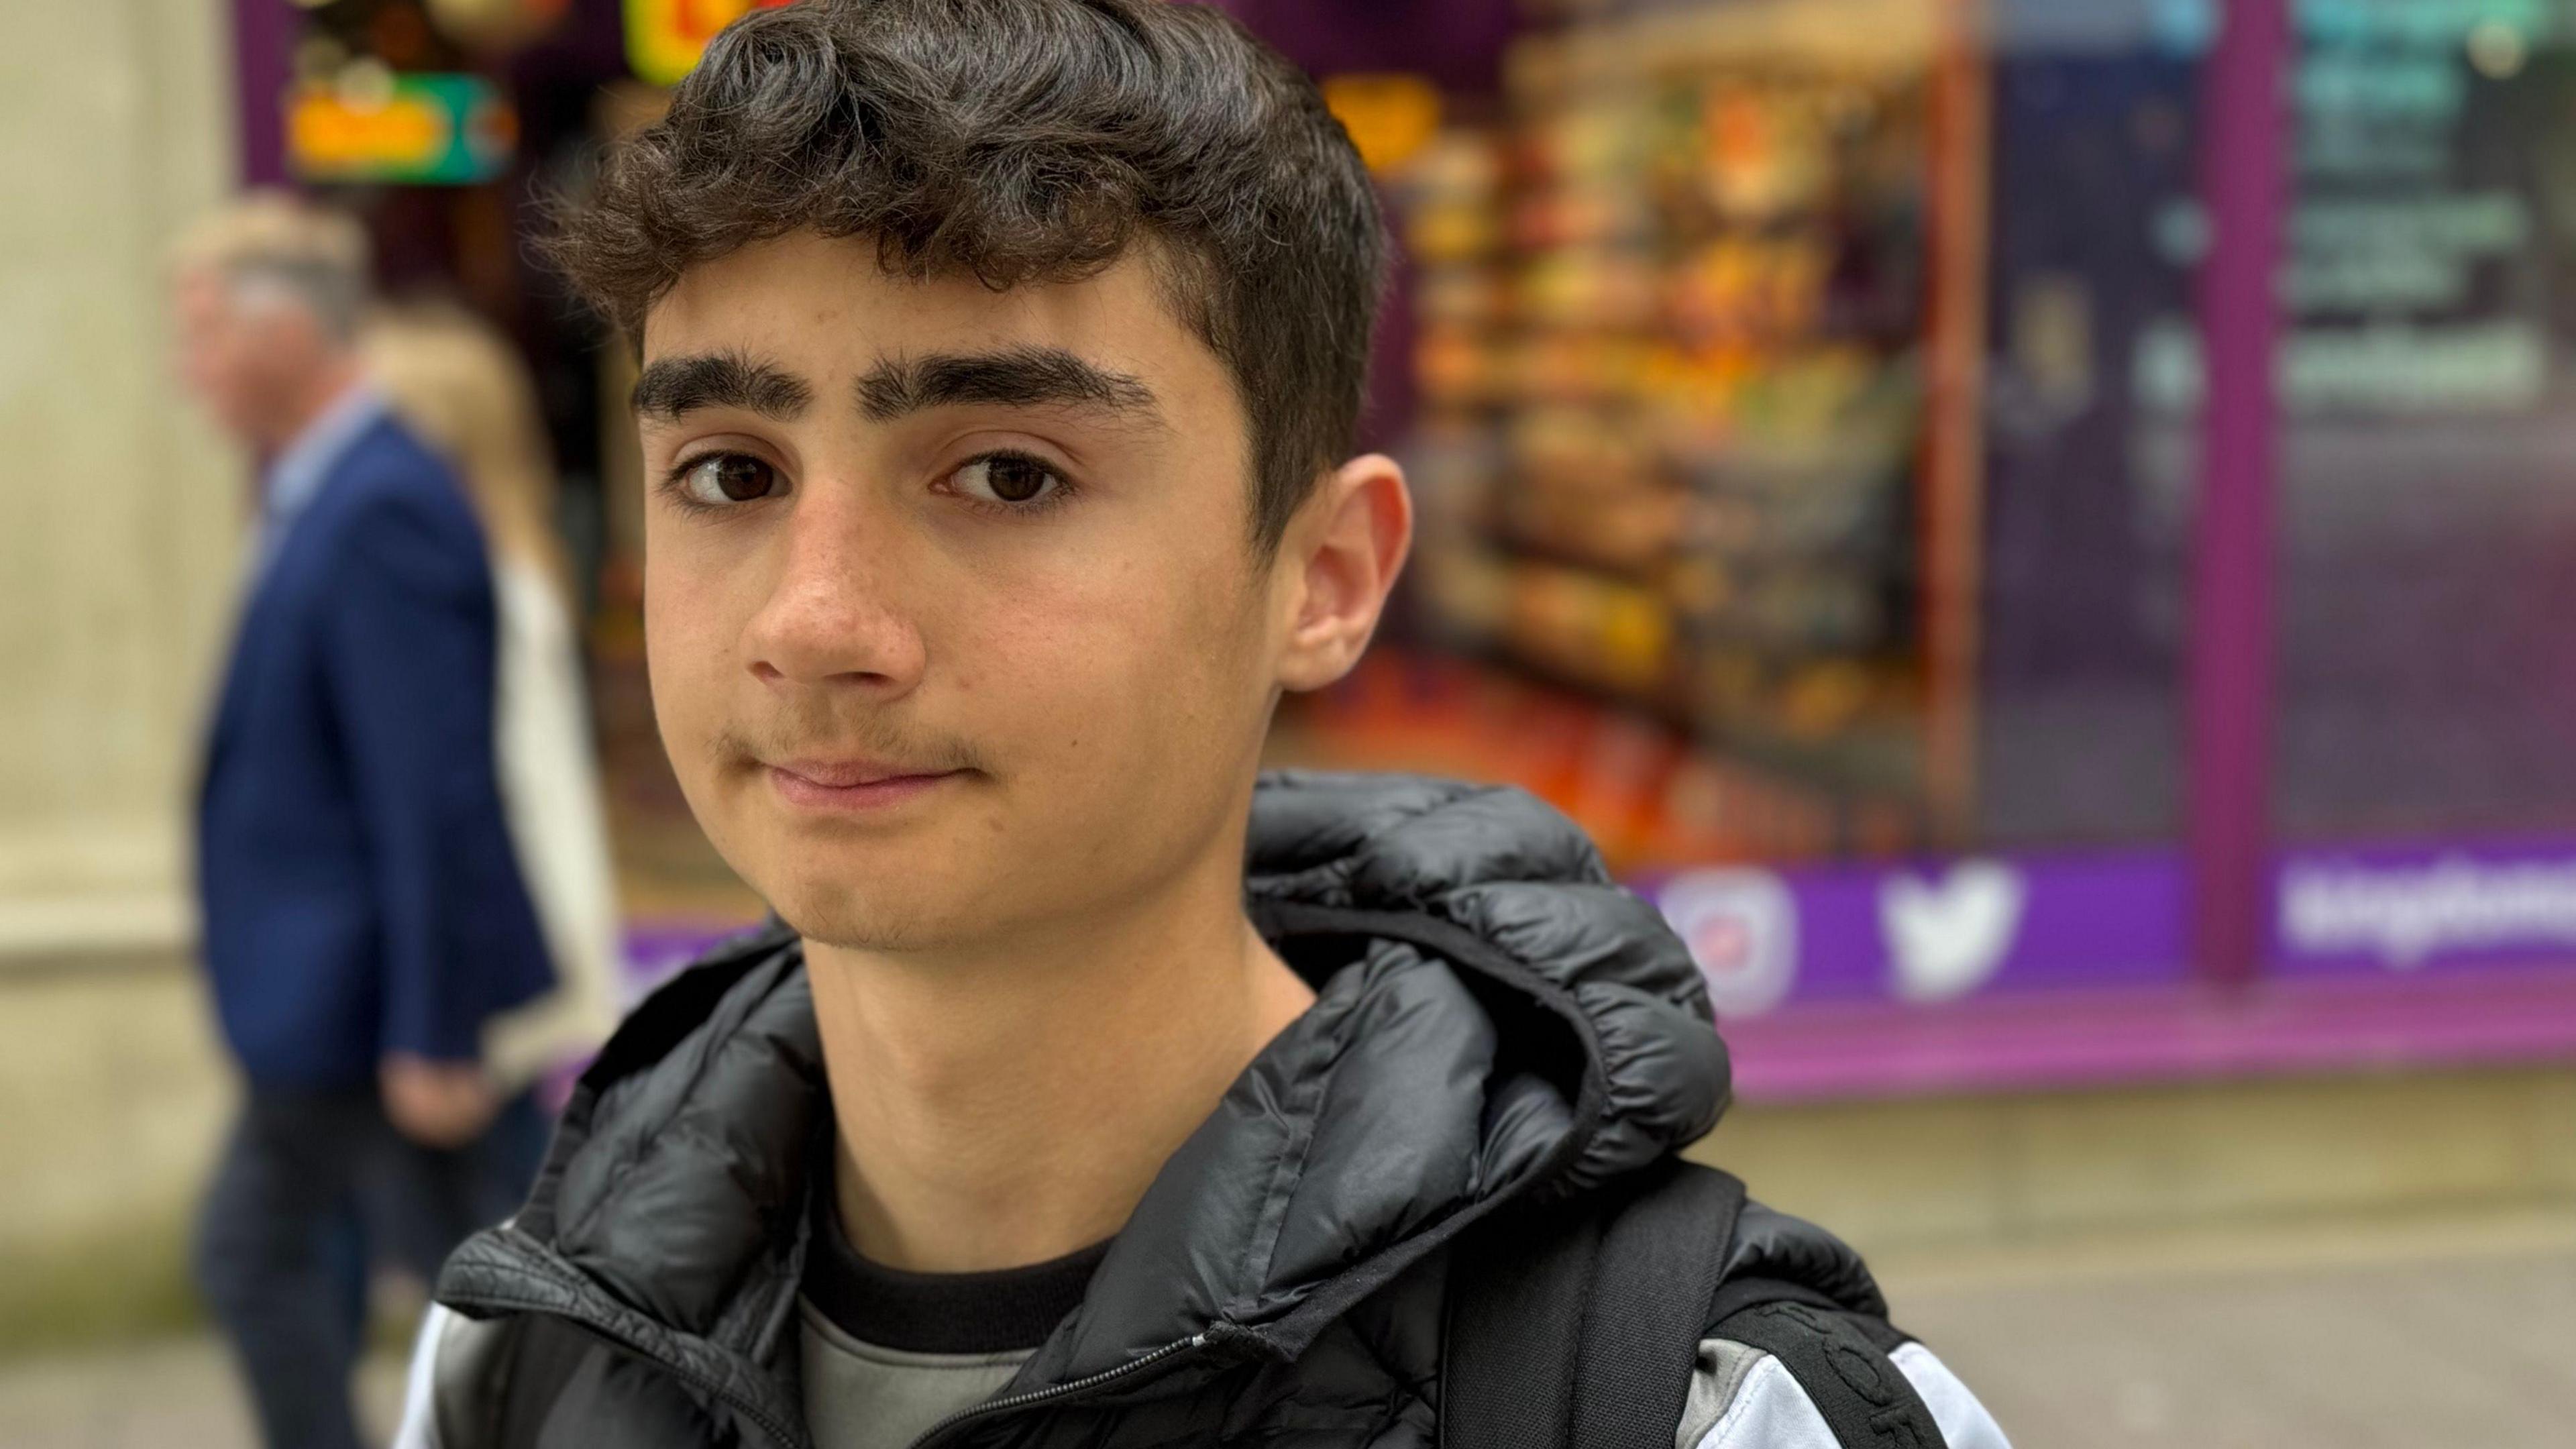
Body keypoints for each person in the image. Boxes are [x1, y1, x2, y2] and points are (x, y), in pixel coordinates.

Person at [397, 4, 2010, 1447]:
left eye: (1008, 473)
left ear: (1322, 576)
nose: (811, 620)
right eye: (731, 473)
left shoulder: (1695, 1406)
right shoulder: (526, 1342)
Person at [173, 194, 556, 1449]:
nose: (192, 373)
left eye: (205, 335)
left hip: (361, 998)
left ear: (285, 335)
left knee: (258, 1253)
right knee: (503, 1276)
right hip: (344, 998)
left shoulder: (378, 499)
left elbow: (430, 783)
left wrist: (431, 1023)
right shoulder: (328, 488)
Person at [363, 302, 626, 1106]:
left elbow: (486, 779)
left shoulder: (467, 587)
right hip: (527, 913)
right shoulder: (520, 566)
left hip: (492, 931)